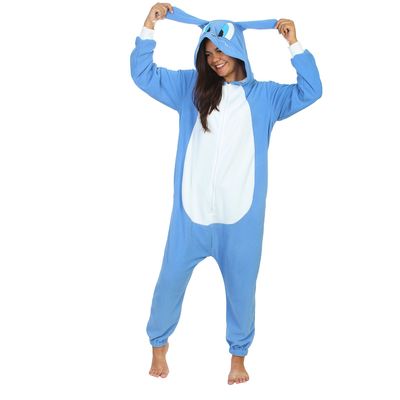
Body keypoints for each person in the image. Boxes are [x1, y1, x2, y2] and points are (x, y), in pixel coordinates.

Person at [130, 3, 322, 385]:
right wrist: (149, 26)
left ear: (238, 50)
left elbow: (311, 90)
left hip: (241, 219)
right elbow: (143, 74)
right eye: (208, 53)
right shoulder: (191, 89)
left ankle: (238, 357)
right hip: (191, 215)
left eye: (220, 50)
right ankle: (158, 346)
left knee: (241, 290)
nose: (214, 59)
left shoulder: (266, 97)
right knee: (169, 282)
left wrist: (294, 44)